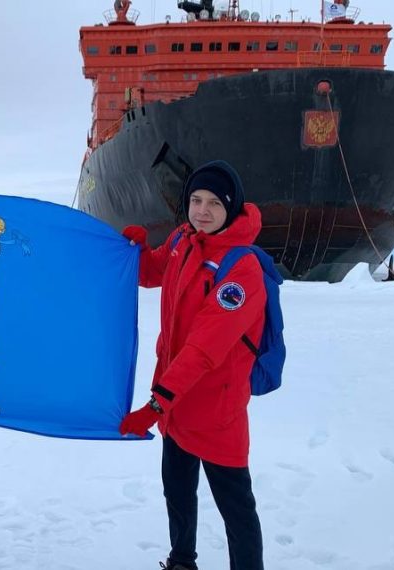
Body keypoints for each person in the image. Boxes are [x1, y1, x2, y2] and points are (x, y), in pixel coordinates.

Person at [119, 160, 267, 570]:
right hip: (175, 406)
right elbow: (153, 271)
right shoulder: (184, 240)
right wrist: (132, 253)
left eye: (214, 203)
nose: (202, 210)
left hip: (215, 410)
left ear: (232, 207)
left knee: (236, 509)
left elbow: (205, 347)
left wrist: (154, 405)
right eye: (195, 200)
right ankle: (182, 561)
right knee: (178, 494)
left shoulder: (242, 269)